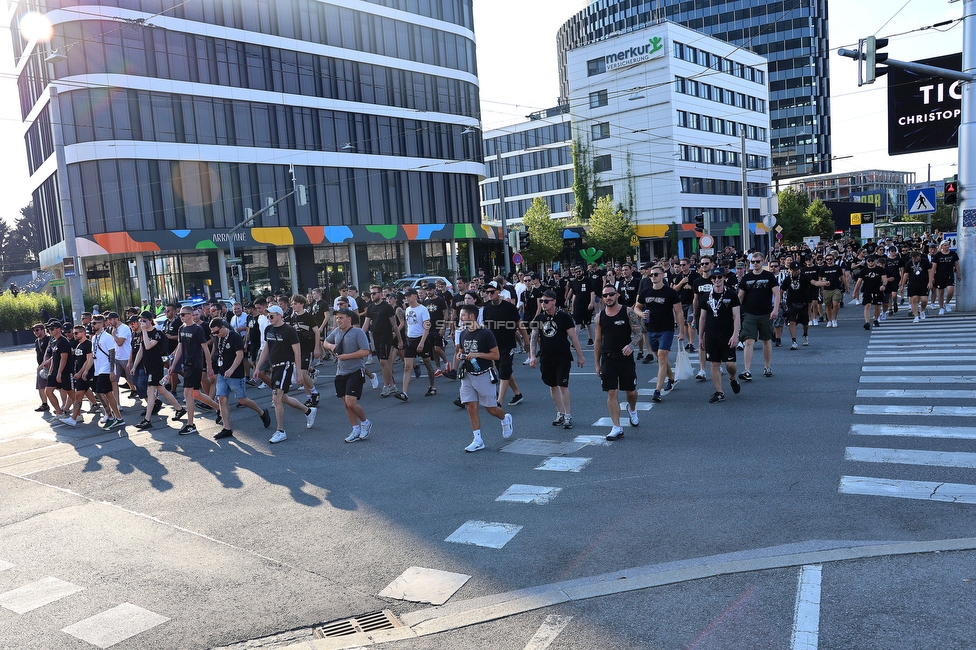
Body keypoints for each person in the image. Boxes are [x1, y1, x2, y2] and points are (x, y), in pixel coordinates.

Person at [253, 305, 317, 444]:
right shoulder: (268, 329)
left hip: (286, 365)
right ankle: (308, 411)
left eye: (271, 316)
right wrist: (258, 367)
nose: (269, 318)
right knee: (283, 398)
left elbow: (297, 352)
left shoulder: (289, 330)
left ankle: (280, 431)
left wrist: (299, 372)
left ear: (279, 315)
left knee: (276, 399)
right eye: (267, 316)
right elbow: (266, 349)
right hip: (274, 367)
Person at [456, 305, 513, 452]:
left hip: (483, 374)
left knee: (491, 409)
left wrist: (477, 354)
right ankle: (478, 439)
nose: (460, 318)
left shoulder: (486, 334)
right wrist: (459, 355)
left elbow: (496, 355)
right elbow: (462, 351)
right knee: (470, 406)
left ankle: (505, 418)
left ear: (472, 317)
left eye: (462, 315)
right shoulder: (463, 334)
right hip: (468, 374)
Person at [529, 290, 586, 429]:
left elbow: (573, 337)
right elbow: (534, 338)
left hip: (562, 356)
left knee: (563, 385)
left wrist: (580, 356)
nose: (543, 304)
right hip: (546, 356)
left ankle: (568, 415)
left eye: (546, 301)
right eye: (542, 301)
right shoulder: (539, 318)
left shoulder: (564, 317)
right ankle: (559, 412)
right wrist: (532, 355)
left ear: (554, 301)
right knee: (552, 386)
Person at [208, 318, 271, 439]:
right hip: (222, 373)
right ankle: (227, 428)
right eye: (213, 333)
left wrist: (231, 369)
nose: (215, 335)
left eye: (216, 332)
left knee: (242, 400)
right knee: (222, 398)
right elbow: (217, 352)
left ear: (223, 327)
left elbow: (240, 355)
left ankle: (262, 412)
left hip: (235, 374)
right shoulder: (218, 337)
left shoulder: (235, 337)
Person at [594, 285, 642, 440]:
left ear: (617, 295)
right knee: (612, 392)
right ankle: (617, 427)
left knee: (631, 391)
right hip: (608, 357)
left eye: (611, 294)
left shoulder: (628, 312)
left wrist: (631, 345)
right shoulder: (599, 317)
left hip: (625, 356)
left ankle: (632, 409)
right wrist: (596, 363)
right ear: (602, 298)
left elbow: (638, 332)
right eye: (605, 295)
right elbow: (598, 340)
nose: (608, 297)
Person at [167, 306, 221, 435]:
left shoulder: (197, 329)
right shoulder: (182, 329)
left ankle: (191, 425)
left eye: (184, 314)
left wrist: (209, 367)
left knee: (188, 394)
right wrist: (173, 365)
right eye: (180, 314)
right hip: (186, 364)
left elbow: (205, 349)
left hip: (195, 364)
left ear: (191, 315)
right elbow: (180, 347)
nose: (181, 316)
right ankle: (219, 408)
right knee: (196, 394)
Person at [324, 308, 374, 443]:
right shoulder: (336, 332)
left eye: (341, 318)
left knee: (351, 402)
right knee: (346, 404)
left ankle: (365, 422)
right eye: (337, 318)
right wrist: (331, 346)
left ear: (349, 319)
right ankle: (355, 429)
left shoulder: (358, 332)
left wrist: (347, 356)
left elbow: (365, 351)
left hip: (355, 370)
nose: (338, 320)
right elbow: (325, 342)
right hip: (341, 372)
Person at [634, 266, 683, 402]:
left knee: (661, 358)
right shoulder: (645, 292)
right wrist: (641, 314)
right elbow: (637, 308)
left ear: (663, 275)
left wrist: (681, 331)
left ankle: (657, 391)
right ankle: (672, 378)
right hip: (651, 329)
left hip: (666, 329)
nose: (653, 277)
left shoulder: (670, 292)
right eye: (651, 275)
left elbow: (679, 312)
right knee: (660, 357)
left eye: (656, 274)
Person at [130, 311, 182, 429]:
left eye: (144, 320)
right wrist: (134, 365)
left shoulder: (156, 333)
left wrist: (143, 331)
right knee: (162, 390)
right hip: (147, 365)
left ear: (150, 320)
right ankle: (179, 408)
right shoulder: (143, 333)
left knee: (150, 391)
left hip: (156, 366)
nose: (141, 323)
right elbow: (142, 350)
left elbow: (148, 346)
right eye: (140, 320)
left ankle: (147, 420)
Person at [482, 282, 530, 406]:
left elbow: (520, 325)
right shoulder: (487, 308)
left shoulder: (509, 307)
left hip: (508, 344)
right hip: (494, 346)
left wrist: (526, 342)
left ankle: (499, 402)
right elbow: (486, 328)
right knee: (504, 370)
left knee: (504, 370)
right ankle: (517, 394)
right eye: (487, 292)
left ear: (499, 292)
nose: (489, 294)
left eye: (492, 292)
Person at [697, 268, 741, 403]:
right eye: (714, 277)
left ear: (724, 278)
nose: (717, 280)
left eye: (720, 277)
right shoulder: (706, 297)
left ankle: (732, 378)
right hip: (711, 335)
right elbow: (702, 318)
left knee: (730, 364)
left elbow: (736, 315)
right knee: (714, 363)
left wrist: (735, 334)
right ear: (711, 280)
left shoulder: (731, 295)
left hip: (727, 334)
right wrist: (700, 337)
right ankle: (719, 392)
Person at [737, 254, 780, 380]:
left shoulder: (769, 276)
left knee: (766, 340)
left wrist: (775, 309)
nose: (755, 264)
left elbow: (776, 294)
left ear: (763, 262)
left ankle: (767, 366)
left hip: (765, 313)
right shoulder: (746, 277)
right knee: (748, 341)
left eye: (757, 261)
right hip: (749, 313)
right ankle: (747, 370)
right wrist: (735, 313)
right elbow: (740, 296)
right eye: (753, 261)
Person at [394, 288, 436, 401]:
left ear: (415, 296)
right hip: (410, 340)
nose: (407, 298)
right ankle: (404, 392)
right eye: (406, 296)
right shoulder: (407, 309)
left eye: (409, 295)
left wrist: (422, 342)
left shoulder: (423, 309)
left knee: (427, 363)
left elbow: (427, 327)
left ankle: (432, 386)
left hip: (421, 339)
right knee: (407, 367)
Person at [363, 284, 403, 397]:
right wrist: (359, 336)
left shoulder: (387, 307)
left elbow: (395, 325)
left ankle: (386, 386)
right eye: (371, 293)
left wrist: (399, 340)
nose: (372, 295)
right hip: (376, 337)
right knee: (383, 363)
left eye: (374, 293)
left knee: (383, 361)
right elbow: (366, 324)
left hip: (386, 337)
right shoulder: (370, 308)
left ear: (380, 294)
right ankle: (392, 384)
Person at [288, 294, 322, 407]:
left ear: (302, 304)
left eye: (296, 303)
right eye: (292, 304)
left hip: (308, 348)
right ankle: (309, 397)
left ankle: (314, 392)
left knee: (302, 372)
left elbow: (317, 332)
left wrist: (317, 348)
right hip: (298, 349)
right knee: (302, 375)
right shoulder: (293, 317)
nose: (293, 306)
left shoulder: (308, 316)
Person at [90, 315, 124, 427]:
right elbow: (93, 355)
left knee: (99, 392)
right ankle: (118, 418)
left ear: (101, 324)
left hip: (105, 369)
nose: (92, 325)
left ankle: (110, 416)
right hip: (98, 369)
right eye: (92, 323)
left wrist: (112, 371)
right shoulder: (94, 338)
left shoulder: (107, 337)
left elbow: (112, 353)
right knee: (109, 394)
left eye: (95, 323)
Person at [59, 325, 95, 427]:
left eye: (76, 333)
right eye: (74, 333)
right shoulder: (79, 345)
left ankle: (110, 414)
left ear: (83, 333)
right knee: (78, 396)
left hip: (90, 374)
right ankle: (73, 418)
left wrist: (81, 372)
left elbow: (88, 360)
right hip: (81, 376)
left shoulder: (88, 344)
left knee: (102, 395)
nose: (74, 335)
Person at [42, 321, 72, 418]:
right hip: (54, 371)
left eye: (51, 329)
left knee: (71, 393)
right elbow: (54, 358)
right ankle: (59, 413)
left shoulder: (63, 341)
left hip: (65, 372)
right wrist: (51, 371)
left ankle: (77, 414)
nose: (49, 331)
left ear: (58, 329)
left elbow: (64, 358)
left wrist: (59, 373)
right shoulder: (54, 341)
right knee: (48, 391)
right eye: (49, 329)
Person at [900, 249, 933, 323]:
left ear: (919, 256)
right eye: (913, 258)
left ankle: (922, 310)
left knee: (924, 300)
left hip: (923, 282)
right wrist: (902, 285)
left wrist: (930, 282)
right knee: (914, 299)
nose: (915, 259)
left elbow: (930, 271)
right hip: (912, 283)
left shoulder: (925, 261)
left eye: (916, 257)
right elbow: (906, 274)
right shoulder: (909, 263)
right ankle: (916, 316)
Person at [932, 240, 962, 314]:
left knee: (951, 290)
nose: (947, 246)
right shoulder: (937, 255)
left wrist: (959, 274)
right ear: (941, 246)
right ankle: (941, 307)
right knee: (941, 292)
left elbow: (957, 264)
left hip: (949, 275)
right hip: (939, 276)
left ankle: (947, 302)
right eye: (945, 245)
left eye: (948, 245)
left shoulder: (953, 254)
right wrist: (932, 277)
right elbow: (934, 267)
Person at [32, 323, 52, 412]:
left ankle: (65, 404)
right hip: (41, 367)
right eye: (34, 330)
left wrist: (48, 362)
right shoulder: (37, 341)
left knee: (58, 387)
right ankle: (44, 404)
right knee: (41, 386)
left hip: (50, 365)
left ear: (43, 330)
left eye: (37, 330)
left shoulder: (49, 339)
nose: (35, 332)